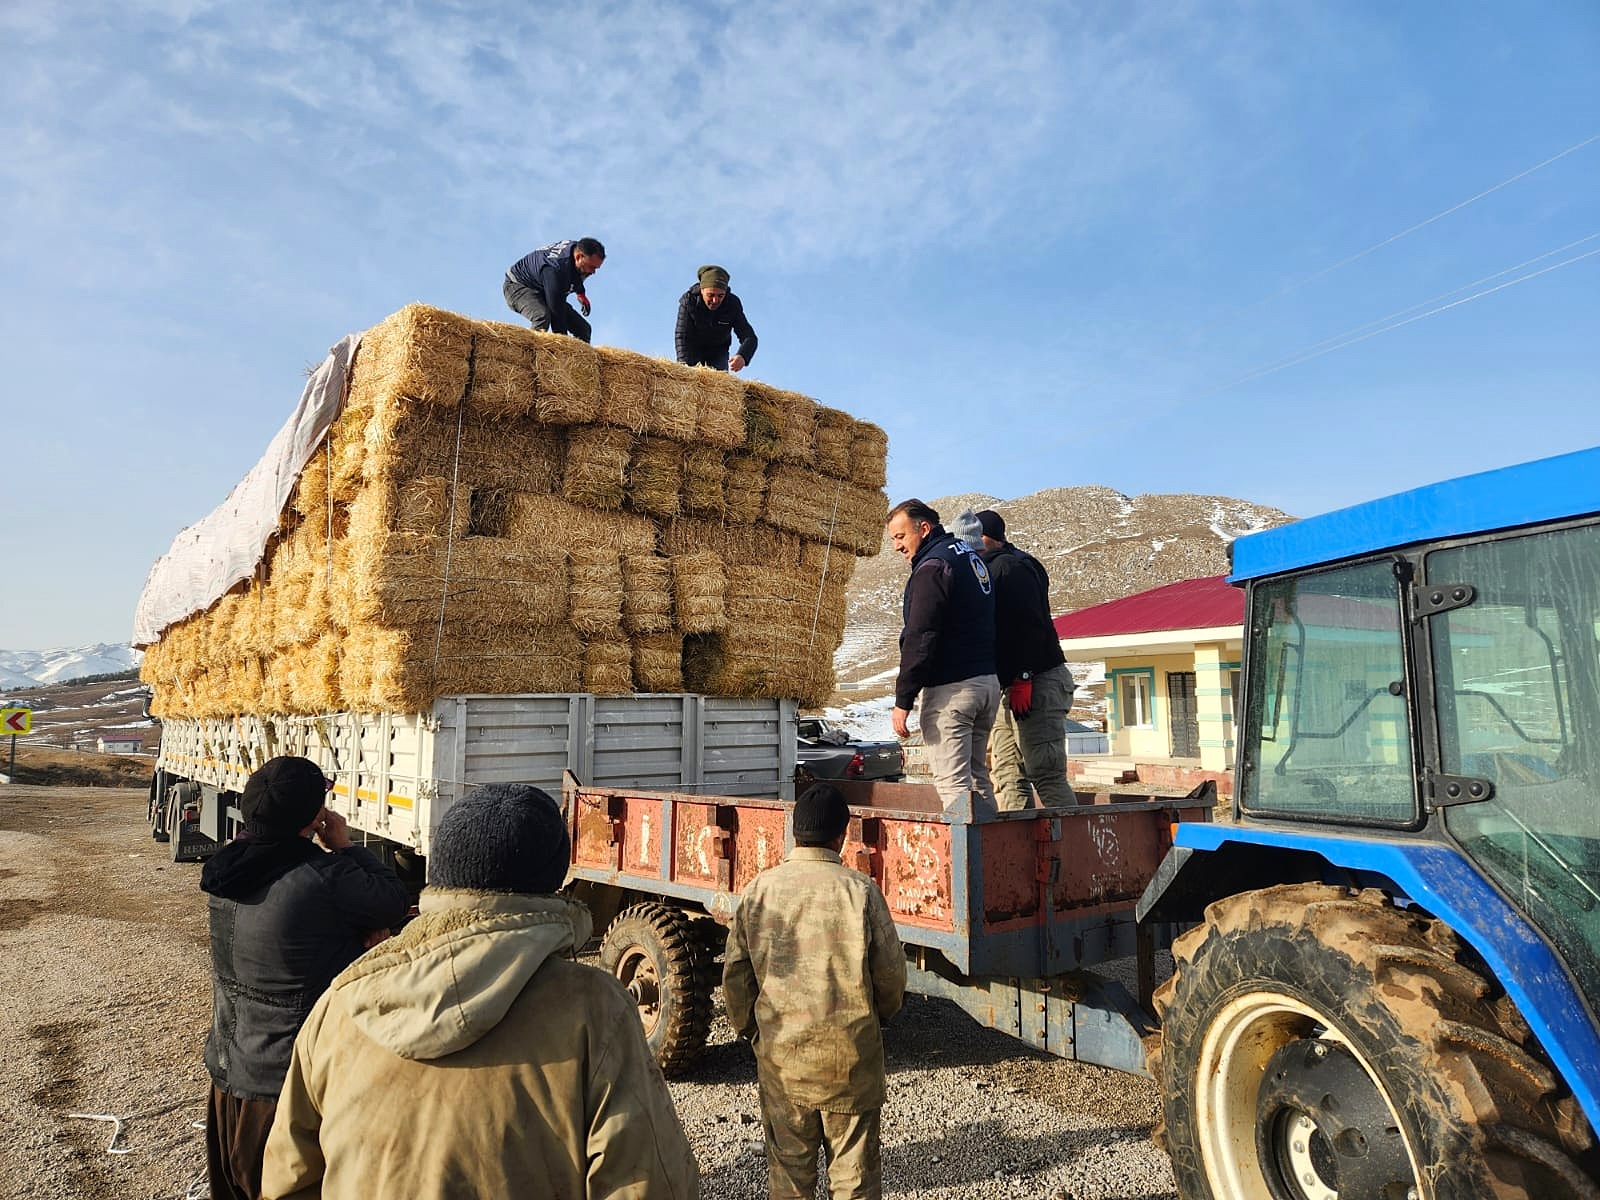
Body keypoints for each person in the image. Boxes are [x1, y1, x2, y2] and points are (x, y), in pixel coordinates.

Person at [260, 783, 699, 1200]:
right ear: (554, 878)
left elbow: (287, 1179)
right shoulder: (595, 1008)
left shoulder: (342, 1002)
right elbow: (648, 1183)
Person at [201, 756, 410, 1200]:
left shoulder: (228, 869)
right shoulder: (322, 877)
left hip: (226, 1077)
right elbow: (394, 899)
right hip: (285, 1091)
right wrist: (346, 846)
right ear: (313, 818)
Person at [723, 783, 906, 1200]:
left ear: (794, 834)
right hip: (850, 1066)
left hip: (783, 1066)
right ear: (841, 837)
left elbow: (736, 978)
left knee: (789, 1182)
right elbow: (891, 980)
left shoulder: (759, 891)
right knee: (854, 1183)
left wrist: (755, 1033)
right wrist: (875, 1021)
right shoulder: (860, 893)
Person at [953, 509, 1079, 809]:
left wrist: (1024, 676)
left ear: (986, 538)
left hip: (1038, 681)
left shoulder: (1010, 568)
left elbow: (1029, 625)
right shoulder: (993, 568)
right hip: (1009, 686)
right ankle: (1016, 850)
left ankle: (1076, 849)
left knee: (1045, 773)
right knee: (1008, 773)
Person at [885, 498, 1002, 812]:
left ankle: (967, 860)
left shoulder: (934, 566)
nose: (897, 546)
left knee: (953, 786)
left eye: (900, 536)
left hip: (953, 689)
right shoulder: (969, 557)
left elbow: (920, 635)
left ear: (924, 529)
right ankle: (993, 855)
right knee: (978, 778)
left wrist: (903, 700)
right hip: (986, 682)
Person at [503, 237, 606, 343]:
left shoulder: (577, 250)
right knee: (542, 316)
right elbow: (557, 317)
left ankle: (583, 359)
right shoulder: (555, 270)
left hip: (543, 288)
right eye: (592, 267)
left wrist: (581, 294)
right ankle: (528, 354)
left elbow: (575, 274)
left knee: (583, 329)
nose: (593, 272)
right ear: (579, 257)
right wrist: (562, 349)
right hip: (517, 285)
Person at [675, 264, 758, 372]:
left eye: (720, 296)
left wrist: (743, 356)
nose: (715, 300)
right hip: (692, 349)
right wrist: (685, 367)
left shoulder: (732, 304)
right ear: (702, 290)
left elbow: (749, 337)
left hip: (718, 352)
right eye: (711, 295)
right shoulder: (688, 301)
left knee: (719, 385)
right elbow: (682, 337)